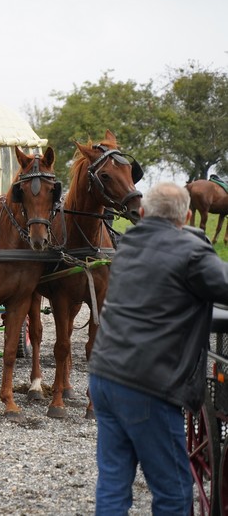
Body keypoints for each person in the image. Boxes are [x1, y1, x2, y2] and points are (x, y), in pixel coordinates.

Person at [88, 181, 228, 514]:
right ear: (189, 216)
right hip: (147, 385)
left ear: (143, 213)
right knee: (174, 492)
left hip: (104, 376)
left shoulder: (127, 245)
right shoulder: (192, 253)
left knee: (113, 482)